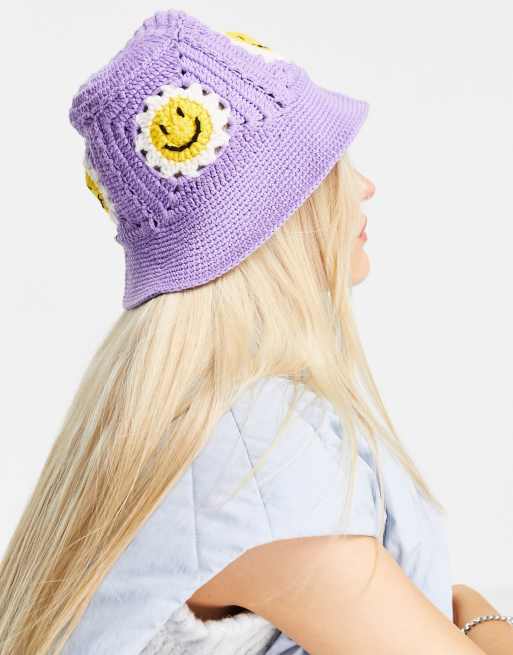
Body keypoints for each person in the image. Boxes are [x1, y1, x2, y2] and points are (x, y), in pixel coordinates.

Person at [0, 8, 511, 655]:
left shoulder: (177, 412)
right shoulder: (258, 448)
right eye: (328, 165)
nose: (363, 186)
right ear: (272, 214)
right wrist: (477, 612)